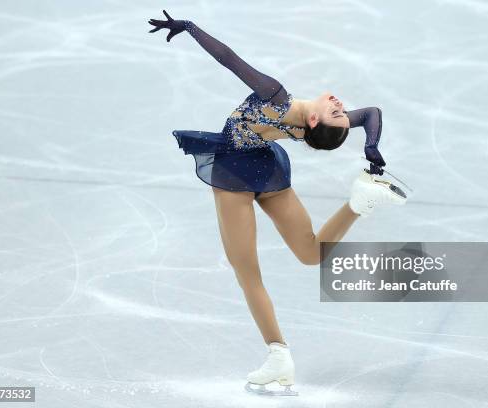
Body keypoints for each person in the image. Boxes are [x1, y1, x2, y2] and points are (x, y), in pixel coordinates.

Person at [148, 10, 406, 396]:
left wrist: (189, 27)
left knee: (246, 271)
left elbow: (229, 58)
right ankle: (357, 204)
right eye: (340, 111)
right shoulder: (310, 125)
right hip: (268, 170)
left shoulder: (276, 96)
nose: (339, 104)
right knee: (312, 253)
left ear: (316, 122)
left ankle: (278, 355)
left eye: (337, 111)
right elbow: (372, 114)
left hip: (234, 173)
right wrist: (371, 147)